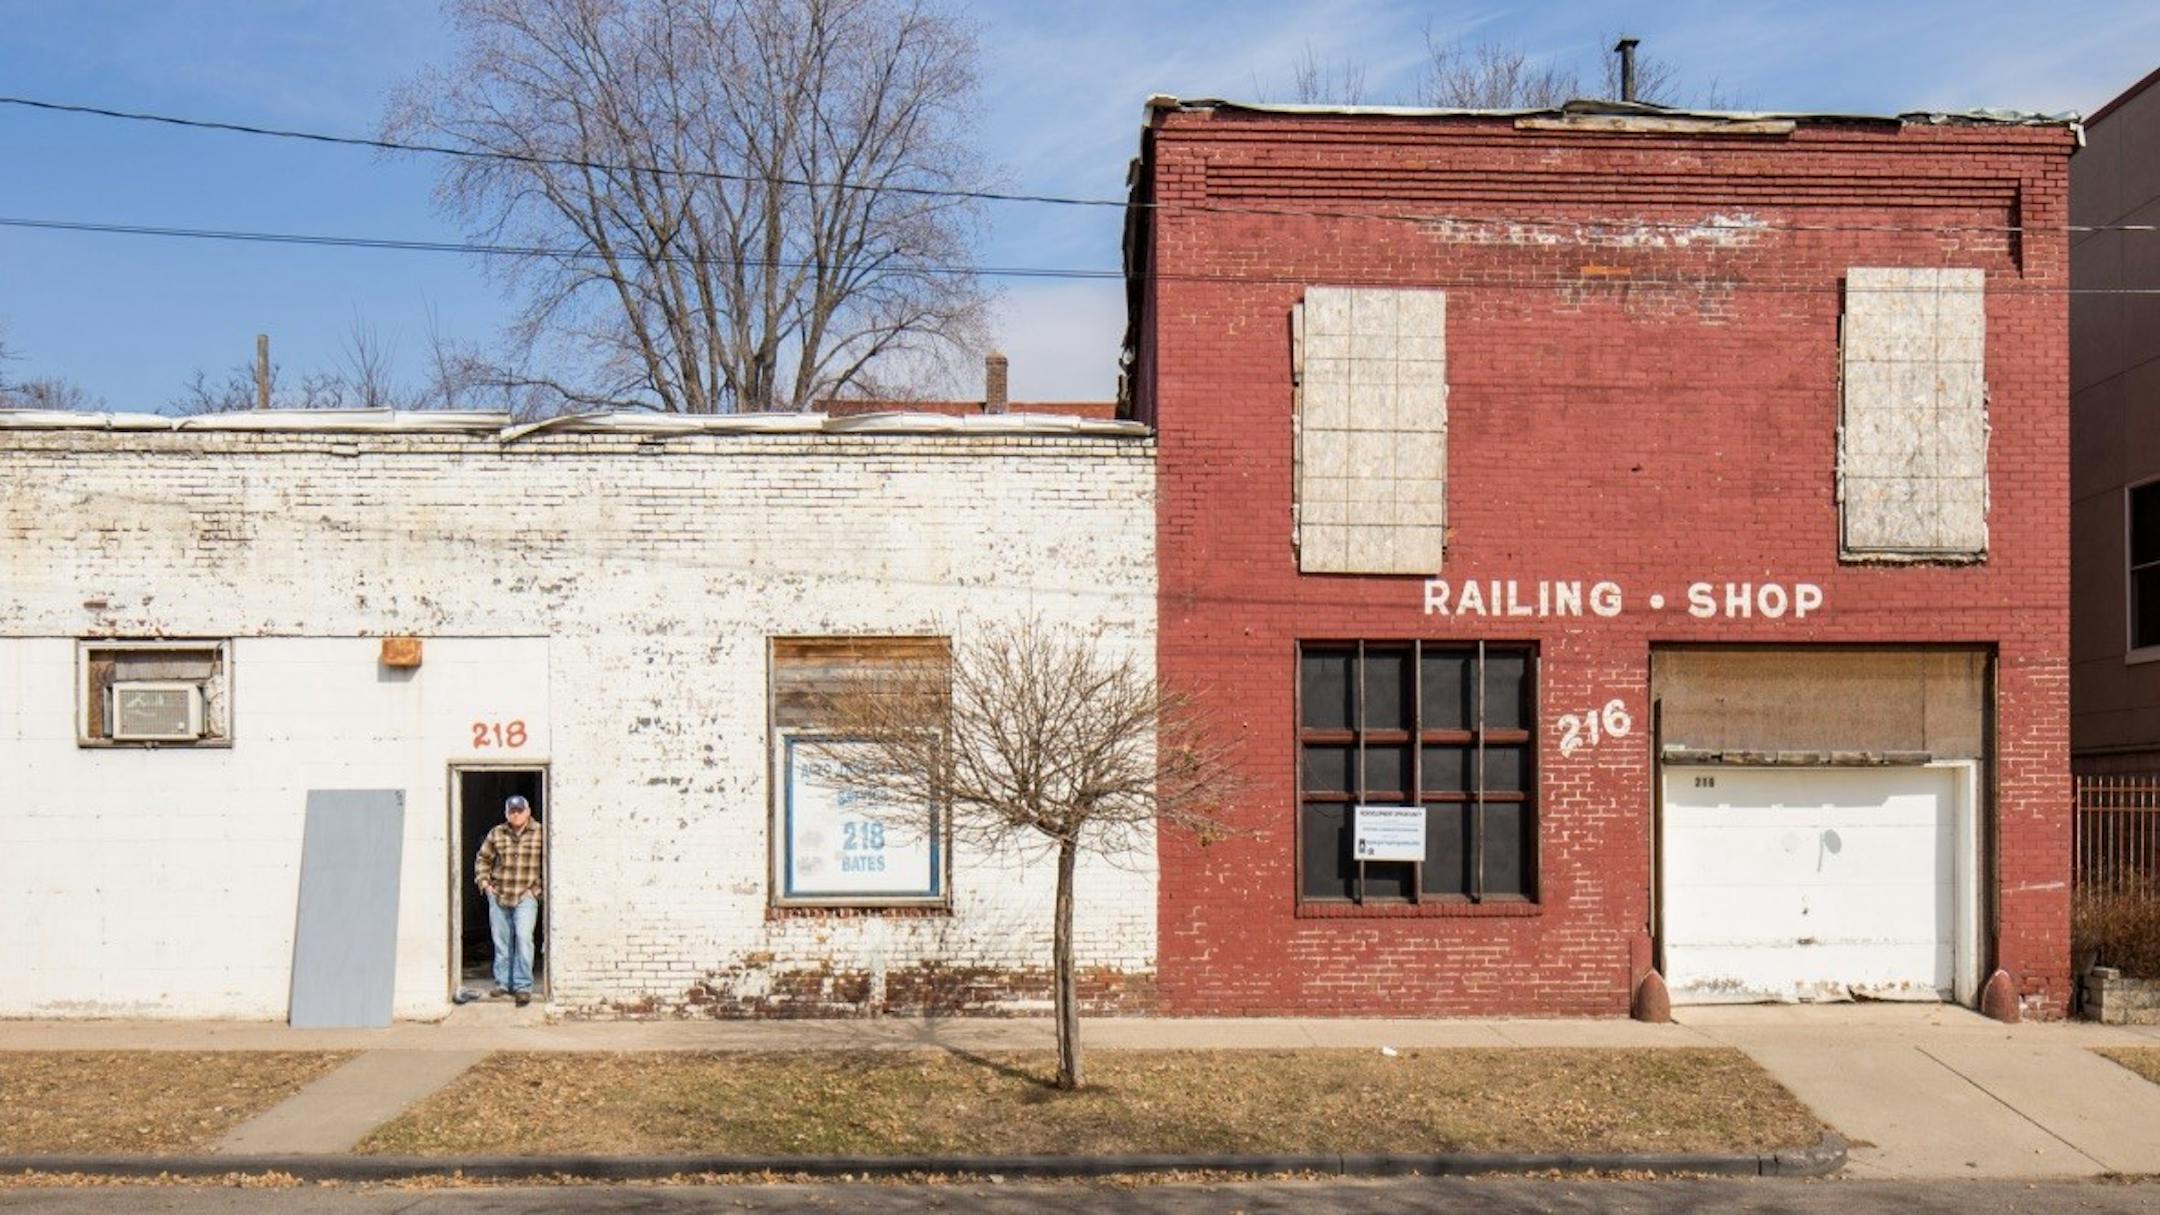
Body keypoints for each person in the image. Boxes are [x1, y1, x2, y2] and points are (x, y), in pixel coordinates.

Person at [475, 794, 544, 1006]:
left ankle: (523, 986)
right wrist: (485, 884)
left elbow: (550, 862)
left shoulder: (541, 832)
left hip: (526, 895)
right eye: (512, 811)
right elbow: (483, 858)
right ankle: (503, 983)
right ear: (506, 813)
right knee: (502, 942)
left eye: (519, 810)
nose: (515, 814)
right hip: (500, 894)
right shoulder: (497, 833)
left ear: (528, 811)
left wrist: (536, 890)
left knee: (523, 939)